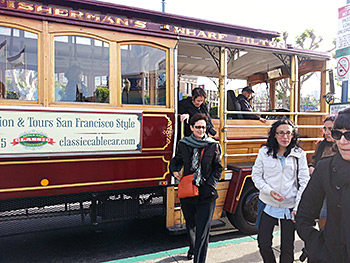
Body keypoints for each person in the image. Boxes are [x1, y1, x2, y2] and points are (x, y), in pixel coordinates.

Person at [296, 108, 350, 263]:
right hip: (333, 254)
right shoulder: (325, 168)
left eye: (349, 135)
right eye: (337, 134)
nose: (342, 141)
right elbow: (303, 215)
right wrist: (317, 246)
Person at [252, 118, 309, 263]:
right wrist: (268, 191)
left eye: (289, 133)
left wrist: (297, 206)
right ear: (275, 135)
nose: (285, 137)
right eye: (281, 133)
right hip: (267, 203)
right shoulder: (264, 152)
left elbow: (304, 181)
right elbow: (256, 175)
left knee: (287, 248)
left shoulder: (299, 154)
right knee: (263, 243)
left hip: (290, 207)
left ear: (293, 135)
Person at [169, 113, 223, 263]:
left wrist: (210, 185)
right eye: (198, 127)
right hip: (188, 192)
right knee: (190, 225)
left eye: (204, 127)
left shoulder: (213, 145)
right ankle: (192, 248)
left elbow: (218, 168)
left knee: (202, 232)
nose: (201, 130)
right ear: (191, 127)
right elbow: (177, 160)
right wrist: (173, 169)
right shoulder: (184, 144)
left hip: (206, 193)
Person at [308, 115, 336, 229]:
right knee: (322, 215)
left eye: (331, 129)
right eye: (325, 129)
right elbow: (313, 160)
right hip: (321, 188)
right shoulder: (321, 144)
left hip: (336, 189)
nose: (327, 132)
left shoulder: (343, 146)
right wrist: (311, 167)